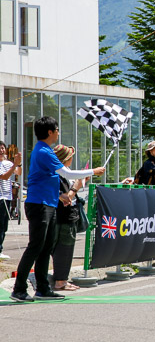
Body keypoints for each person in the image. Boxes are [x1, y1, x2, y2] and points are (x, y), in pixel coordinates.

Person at [12, 117, 105, 303]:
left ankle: (43, 288)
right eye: (56, 129)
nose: (58, 132)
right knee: (36, 247)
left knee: (46, 247)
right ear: (49, 132)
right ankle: (19, 289)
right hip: (39, 204)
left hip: (48, 203)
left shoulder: (44, 150)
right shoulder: (44, 151)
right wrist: (93, 171)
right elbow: (68, 174)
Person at [50, 144, 86, 292]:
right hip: (63, 216)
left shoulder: (65, 173)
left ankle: (62, 279)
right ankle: (60, 281)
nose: (72, 158)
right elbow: (66, 198)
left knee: (63, 249)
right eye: (70, 156)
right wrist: (77, 185)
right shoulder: (57, 174)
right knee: (64, 249)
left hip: (65, 216)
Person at [0, 141, 22, 260]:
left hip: (8, 196)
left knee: (4, 225)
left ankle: (0, 248)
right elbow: (4, 176)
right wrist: (14, 165)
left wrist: (18, 163)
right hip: (1, 197)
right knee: (0, 225)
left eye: (3, 148)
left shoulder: (8, 163)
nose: (1, 150)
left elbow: (18, 172)